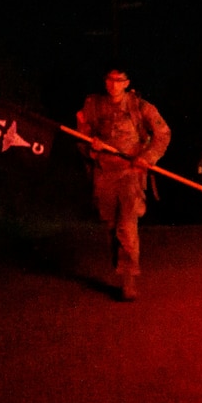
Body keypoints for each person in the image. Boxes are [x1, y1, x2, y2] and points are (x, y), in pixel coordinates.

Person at [77, 69, 171, 300]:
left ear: (127, 83)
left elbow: (163, 133)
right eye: (109, 79)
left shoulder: (140, 106)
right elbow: (81, 137)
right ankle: (120, 271)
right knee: (110, 225)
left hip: (131, 172)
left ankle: (128, 280)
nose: (113, 84)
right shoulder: (93, 105)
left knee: (126, 224)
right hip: (105, 173)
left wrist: (147, 158)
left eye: (119, 80)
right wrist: (91, 145)